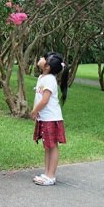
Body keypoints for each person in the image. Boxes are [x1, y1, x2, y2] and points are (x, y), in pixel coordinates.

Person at [30, 51, 69, 186]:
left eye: (43, 58)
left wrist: (35, 110)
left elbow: (45, 100)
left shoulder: (50, 80)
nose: (40, 59)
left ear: (47, 66)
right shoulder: (43, 77)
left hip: (51, 119)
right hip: (45, 118)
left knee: (52, 146)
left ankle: (51, 176)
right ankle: (46, 173)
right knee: (47, 146)